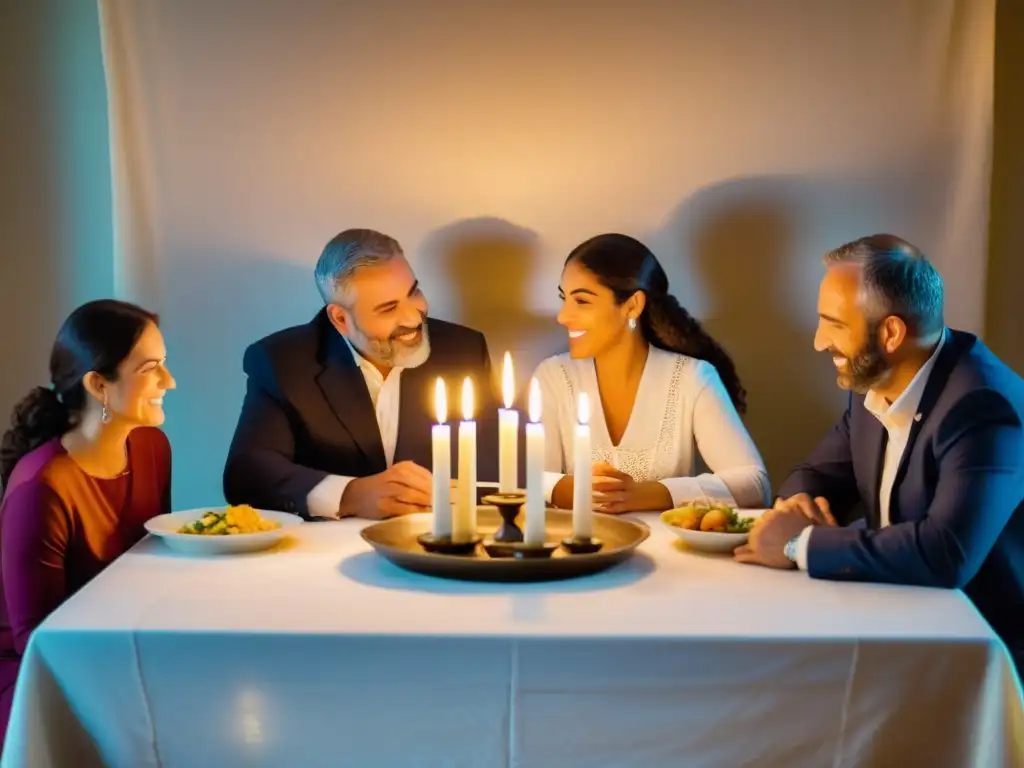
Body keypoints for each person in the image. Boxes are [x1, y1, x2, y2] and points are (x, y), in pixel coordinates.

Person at [735, 234, 1024, 674]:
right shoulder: (877, 380)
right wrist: (799, 506)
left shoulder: (983, 406)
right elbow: (815, 474)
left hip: (977, 653)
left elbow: (946, 554)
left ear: (890, 332)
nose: (818, 342)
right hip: (893, 613)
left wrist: (799, 542)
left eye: (834, 324)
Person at [223, 228, 499, 520]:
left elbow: (499, 459)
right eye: (388, 308)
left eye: (413, 292)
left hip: (438, 542)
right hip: (324, 553)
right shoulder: (282, 361)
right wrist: (350, 495)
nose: (413, 317)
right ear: (340, 319)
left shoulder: (463, 349)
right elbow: (249, 473)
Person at [0, 299, 175, 746]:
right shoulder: (43, 487)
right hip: (41, 680)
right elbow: (35, 643)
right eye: (151, 368)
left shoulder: (152, 447)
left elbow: (156, 563)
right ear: (98, 385)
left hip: (119, 648)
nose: (169, 382)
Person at [531, 233, 770, 513]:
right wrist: (572, 489)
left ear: (632, 305)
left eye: (582, 301)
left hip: (671, 550)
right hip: (579, 550)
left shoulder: (692, 377)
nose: (562, 316)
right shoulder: (552, 376)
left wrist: (639, 495)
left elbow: (755, 484)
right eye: (564, 299)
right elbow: (535, 483)